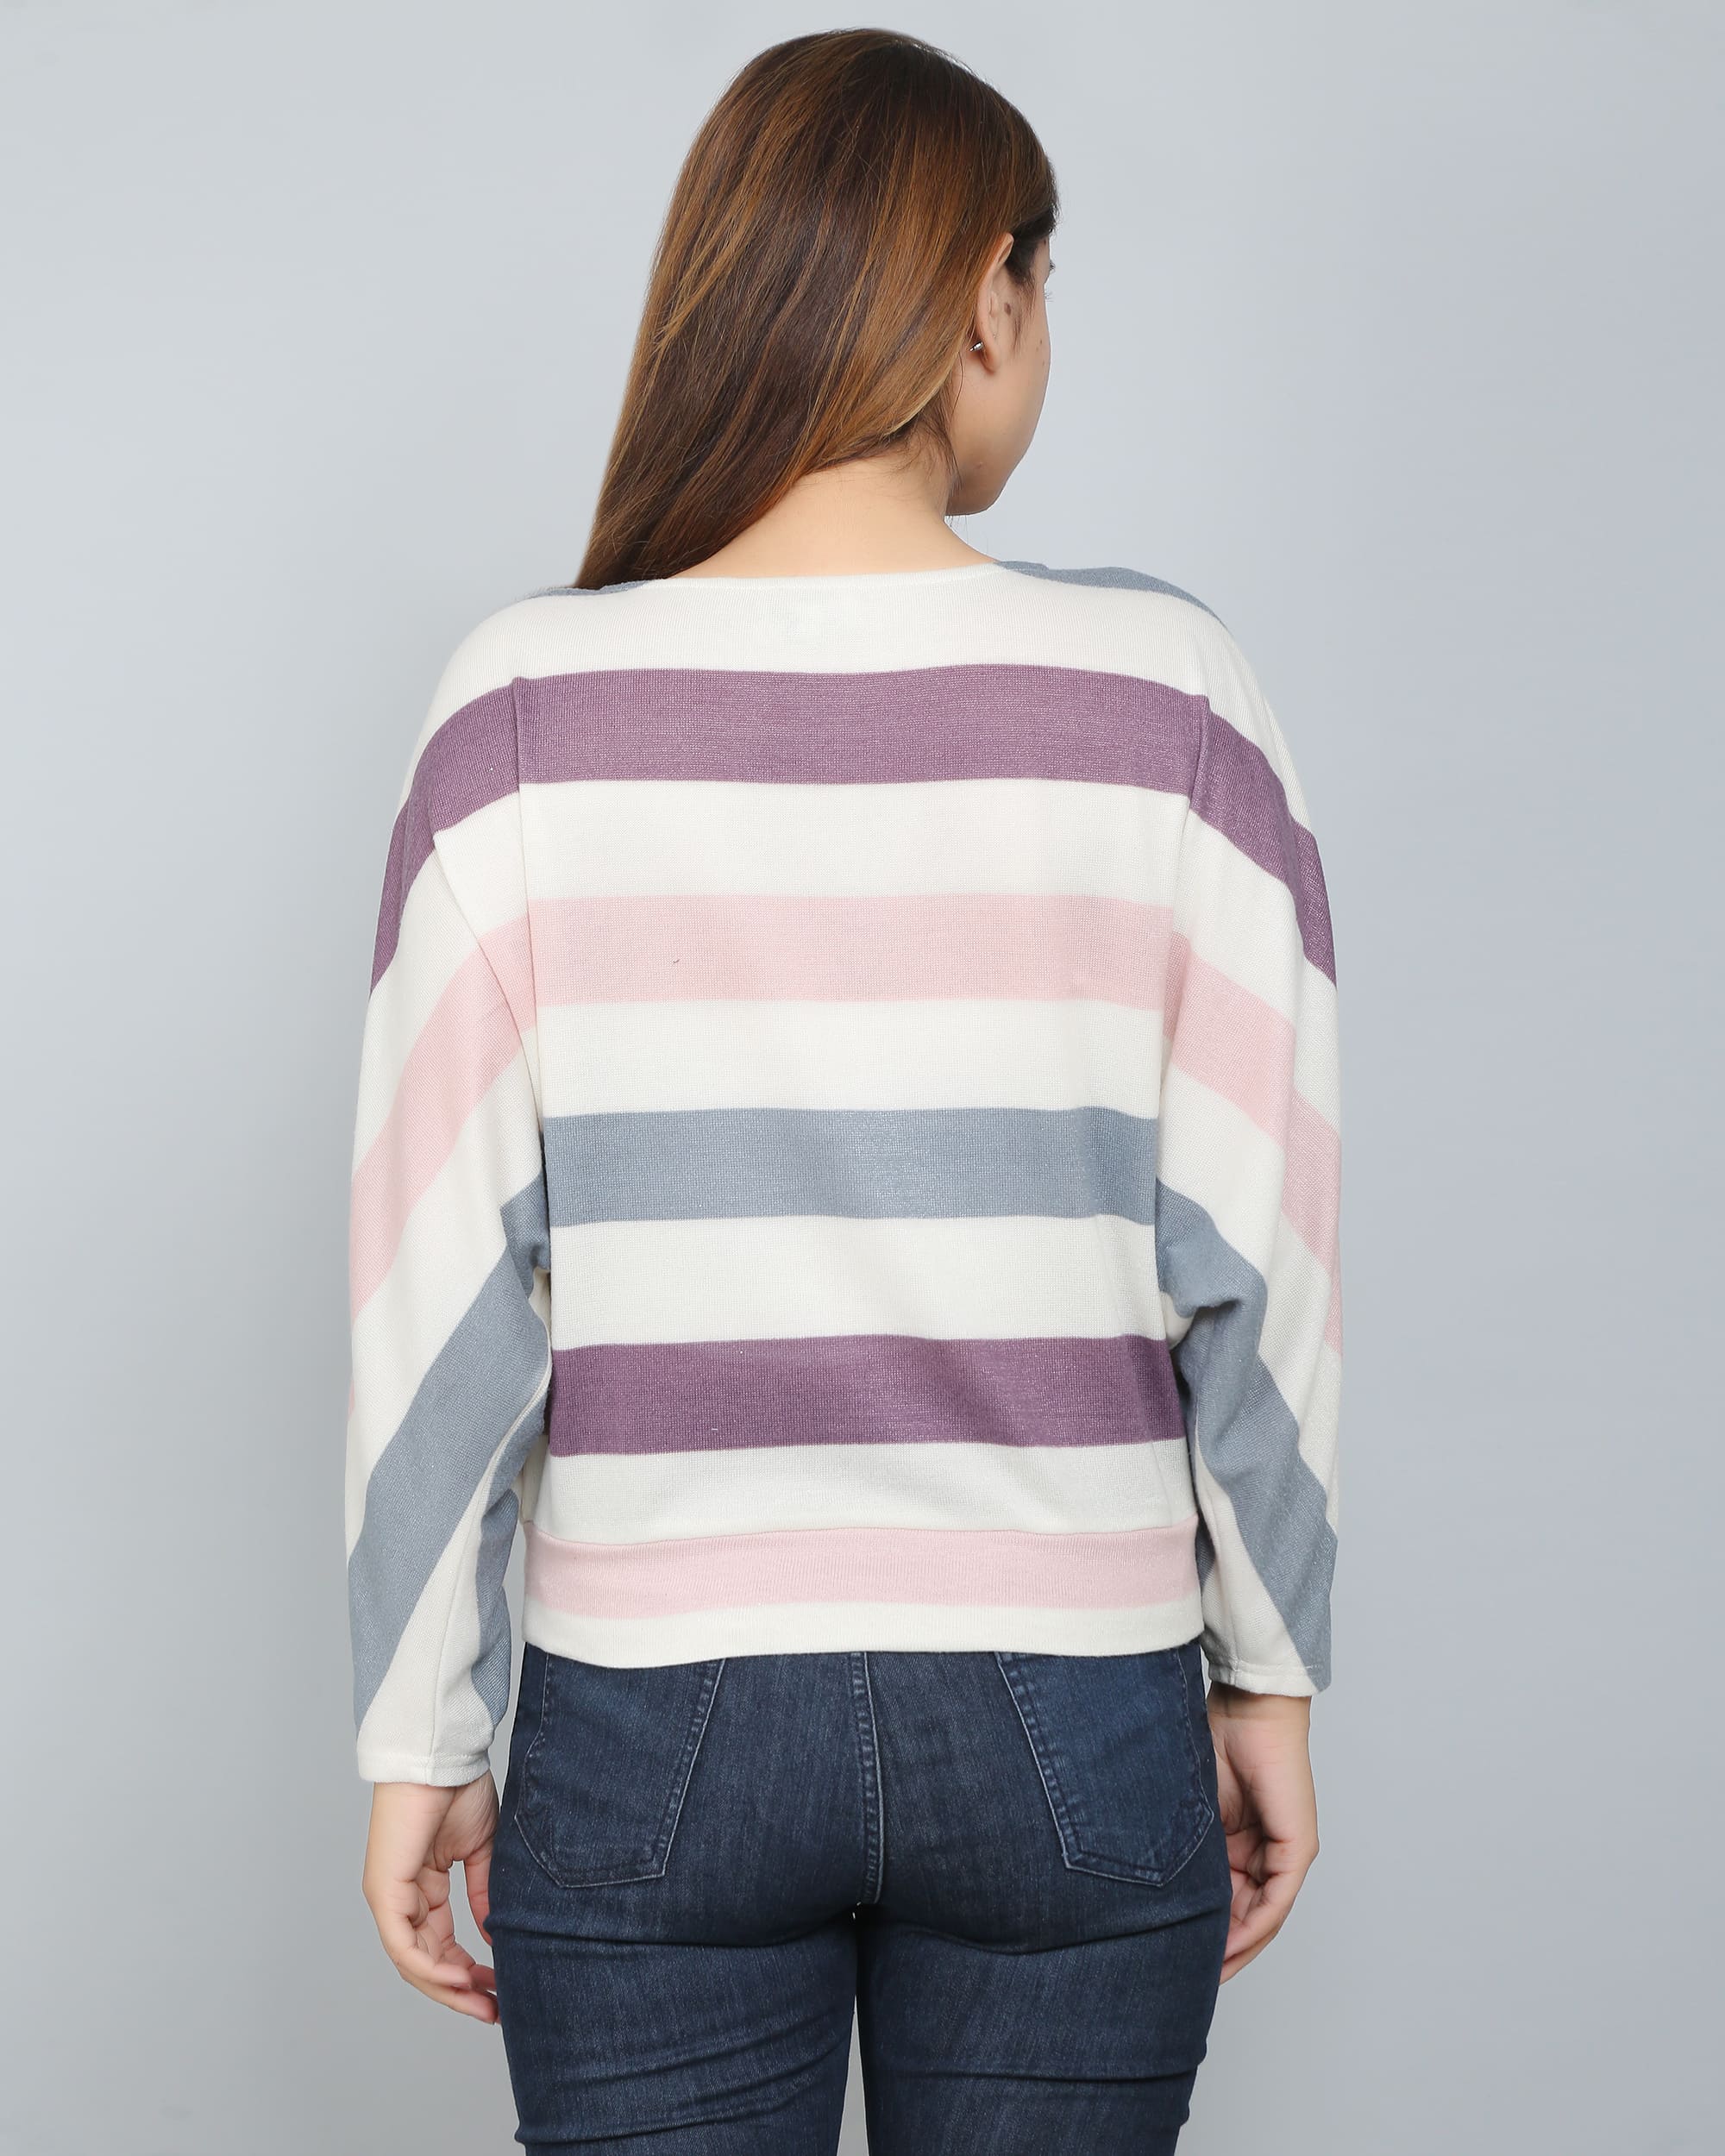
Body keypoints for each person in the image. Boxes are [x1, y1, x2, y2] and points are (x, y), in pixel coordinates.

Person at [344, 28, 1341, 2154]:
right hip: (1078, 1701)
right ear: (987, 294)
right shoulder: (1172, 699)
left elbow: (439, 1284)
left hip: (650, 1719)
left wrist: (418, 1721)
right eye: (1044, 287)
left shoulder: (515, 708)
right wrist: (1266, 1663)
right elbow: (1259, 1249)